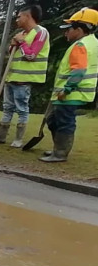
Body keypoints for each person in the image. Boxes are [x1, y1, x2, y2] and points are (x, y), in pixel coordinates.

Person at [39, 8, 98, 163]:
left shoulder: (80, 45)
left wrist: (67, 90)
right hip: (76, 92)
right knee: (53, 120)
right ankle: (58, 149)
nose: (66, 33)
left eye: (68, 29)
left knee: (64, 122)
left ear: (79, 29)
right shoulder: (92, 42)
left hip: (72, 93)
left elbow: (78, 71)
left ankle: (60, 153)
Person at [0, 4, 51, 147]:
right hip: (11, 77)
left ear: (28, 16)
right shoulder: (22, 34)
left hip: (24, 79)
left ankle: (18, 139)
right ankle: (0, 136)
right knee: (7, 107)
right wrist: (13, 44)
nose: (17, 20)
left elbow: (31, 55)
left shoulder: (41, 32)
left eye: (19, 16)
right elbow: (12, 53)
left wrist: (21, 42)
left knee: (22, 109)